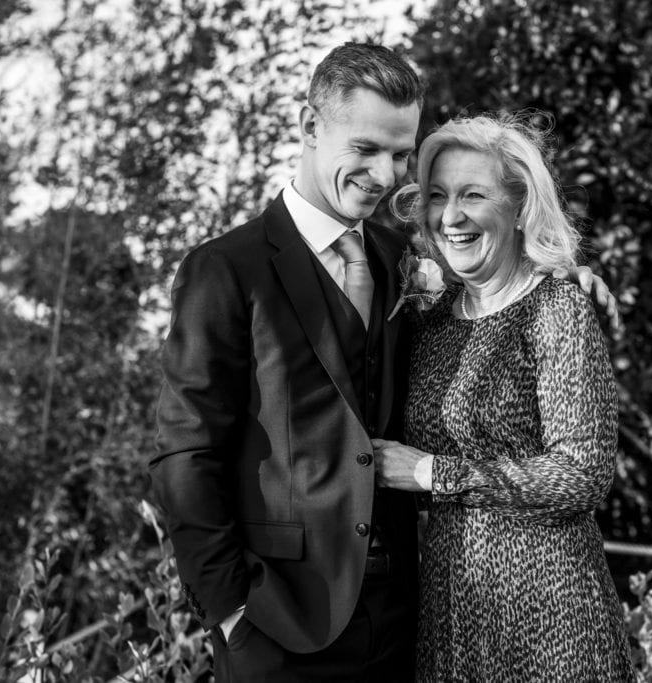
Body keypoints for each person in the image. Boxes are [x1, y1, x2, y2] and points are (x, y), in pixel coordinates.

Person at [150, 44, 615, 682]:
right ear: (311, 126)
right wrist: (230, 609)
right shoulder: (227, 270)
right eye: (365, 149)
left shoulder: (399, 258)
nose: (384, 172)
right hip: (279, 623)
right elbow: (185, 452)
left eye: (400, 154)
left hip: (407, 622)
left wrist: (563, 280)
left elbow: (497, 293)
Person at [373, 113, 635, 681]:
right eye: (438, 196)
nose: (452, 215)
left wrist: (433, 474)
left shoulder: (557, 309)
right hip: (451, 616)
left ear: (519, 207)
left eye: (473, 194)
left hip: (550, 618)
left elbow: (583, 473)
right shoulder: (435, 321)